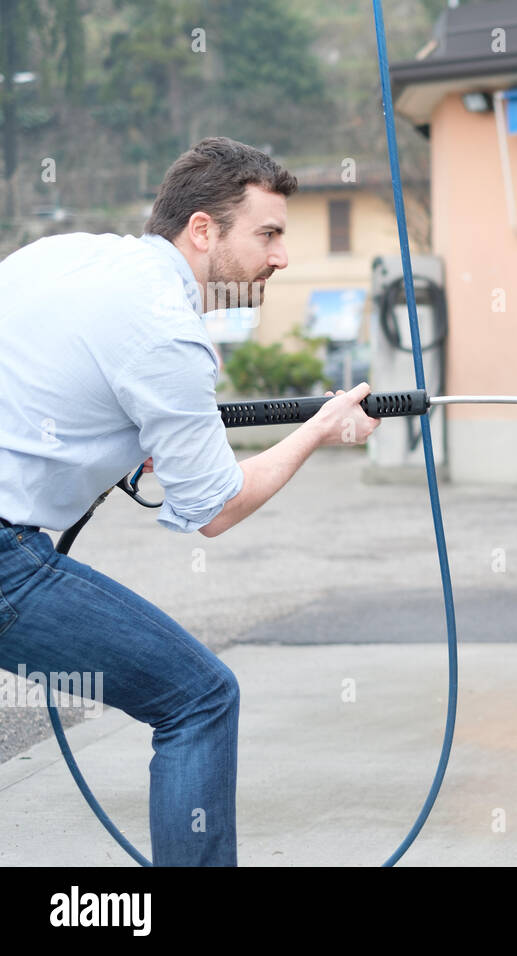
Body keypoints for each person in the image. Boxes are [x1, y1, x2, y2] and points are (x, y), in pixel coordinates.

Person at [0, 136, 381, 866]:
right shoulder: (167, 331)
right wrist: (322, 430)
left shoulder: (66, 254)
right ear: (202, 230)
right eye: (267, 234)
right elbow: (218, 507)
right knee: (199, 699)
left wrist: (114, 431)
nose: (281, 258)